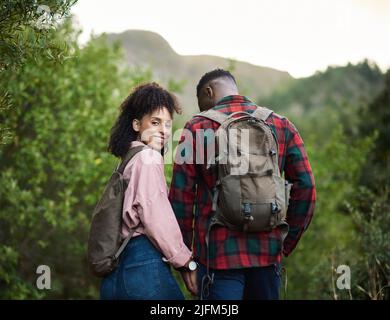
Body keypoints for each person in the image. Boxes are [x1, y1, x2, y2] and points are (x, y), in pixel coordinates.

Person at [169, 69, 316, 300]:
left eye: (202, 104)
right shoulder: (281, 125)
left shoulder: (197, 128)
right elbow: (306, 187)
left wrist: (185, 261)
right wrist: (284, 243)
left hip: (217, 258)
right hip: (268, 257)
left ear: (209, 91)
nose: (203, 112)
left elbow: (181, 198)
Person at [100, 82, 196, 300]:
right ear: (136, 124)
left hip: (116, 273)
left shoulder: (127, 161)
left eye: (168, 124)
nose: (163, 131)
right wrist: (186, 262)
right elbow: (156, 218)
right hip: (143, 267)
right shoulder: (148, 158)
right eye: (155, 122)